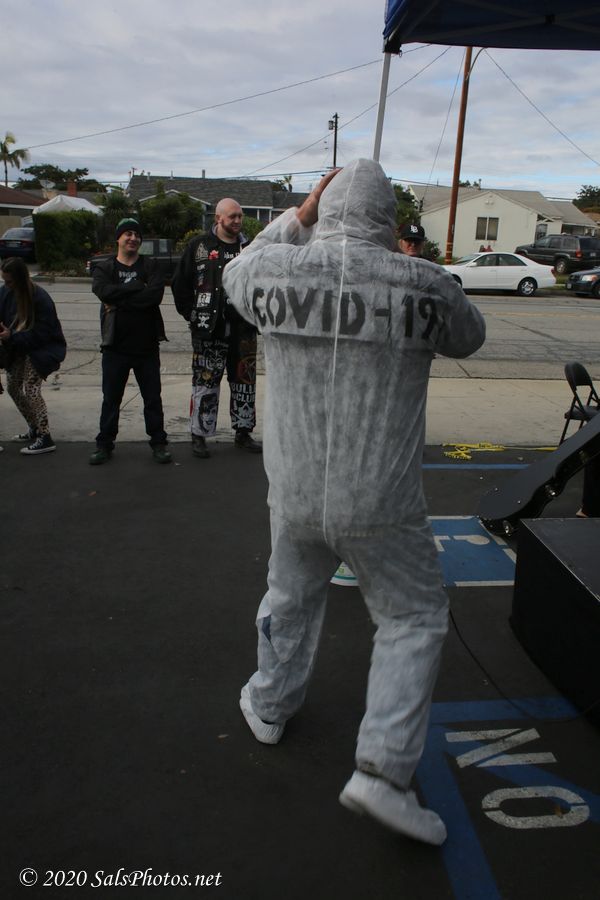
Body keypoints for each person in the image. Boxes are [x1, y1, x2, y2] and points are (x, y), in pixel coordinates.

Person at [222, 159, 485, 845]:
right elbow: (471, 334)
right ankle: (383, 771)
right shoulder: (424, 283)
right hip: (381, 500)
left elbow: (234, 269)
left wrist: (296, 219)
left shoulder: (274, 270)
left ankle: (270, 704)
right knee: (413, 615)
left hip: (295, 489)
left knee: (289, 596)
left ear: (326, 209)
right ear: (388, 220)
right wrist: (418, 276)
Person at [171, 198, 262, 458]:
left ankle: (243, 433)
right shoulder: (199, 246)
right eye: (232, 216)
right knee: (205, 382)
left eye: (240, 216)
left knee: (244, 381)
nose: (238, 221)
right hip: (208, 330)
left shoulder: (250, 248)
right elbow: (180, 284)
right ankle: (199, 434)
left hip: (244, 329)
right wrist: (191, 315)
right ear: (218, 218)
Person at [90, 218, 171, 465]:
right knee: (111, 399)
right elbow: (102, 291)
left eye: (137, 234)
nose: (133, 238)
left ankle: (159, 443)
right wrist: (137, 286)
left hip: (147, 347)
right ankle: (104, 444)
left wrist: (119, 300)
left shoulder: (150, 265)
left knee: (152, 399)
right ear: (118, 238)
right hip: (115, 347)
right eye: (128, 234)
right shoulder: (105, 268)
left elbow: (154, 296)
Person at [0, 257, 66, 455]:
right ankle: (34, 427)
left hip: (43, 349)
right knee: (13, 387)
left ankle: (45, 437)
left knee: (31, 388)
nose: (7, 285)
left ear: (21, 279)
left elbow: (43, 334)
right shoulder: (5, 293)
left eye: (10, 281)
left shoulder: (40, 298)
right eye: (4, 281)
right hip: (18, 347)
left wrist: (12, 336)